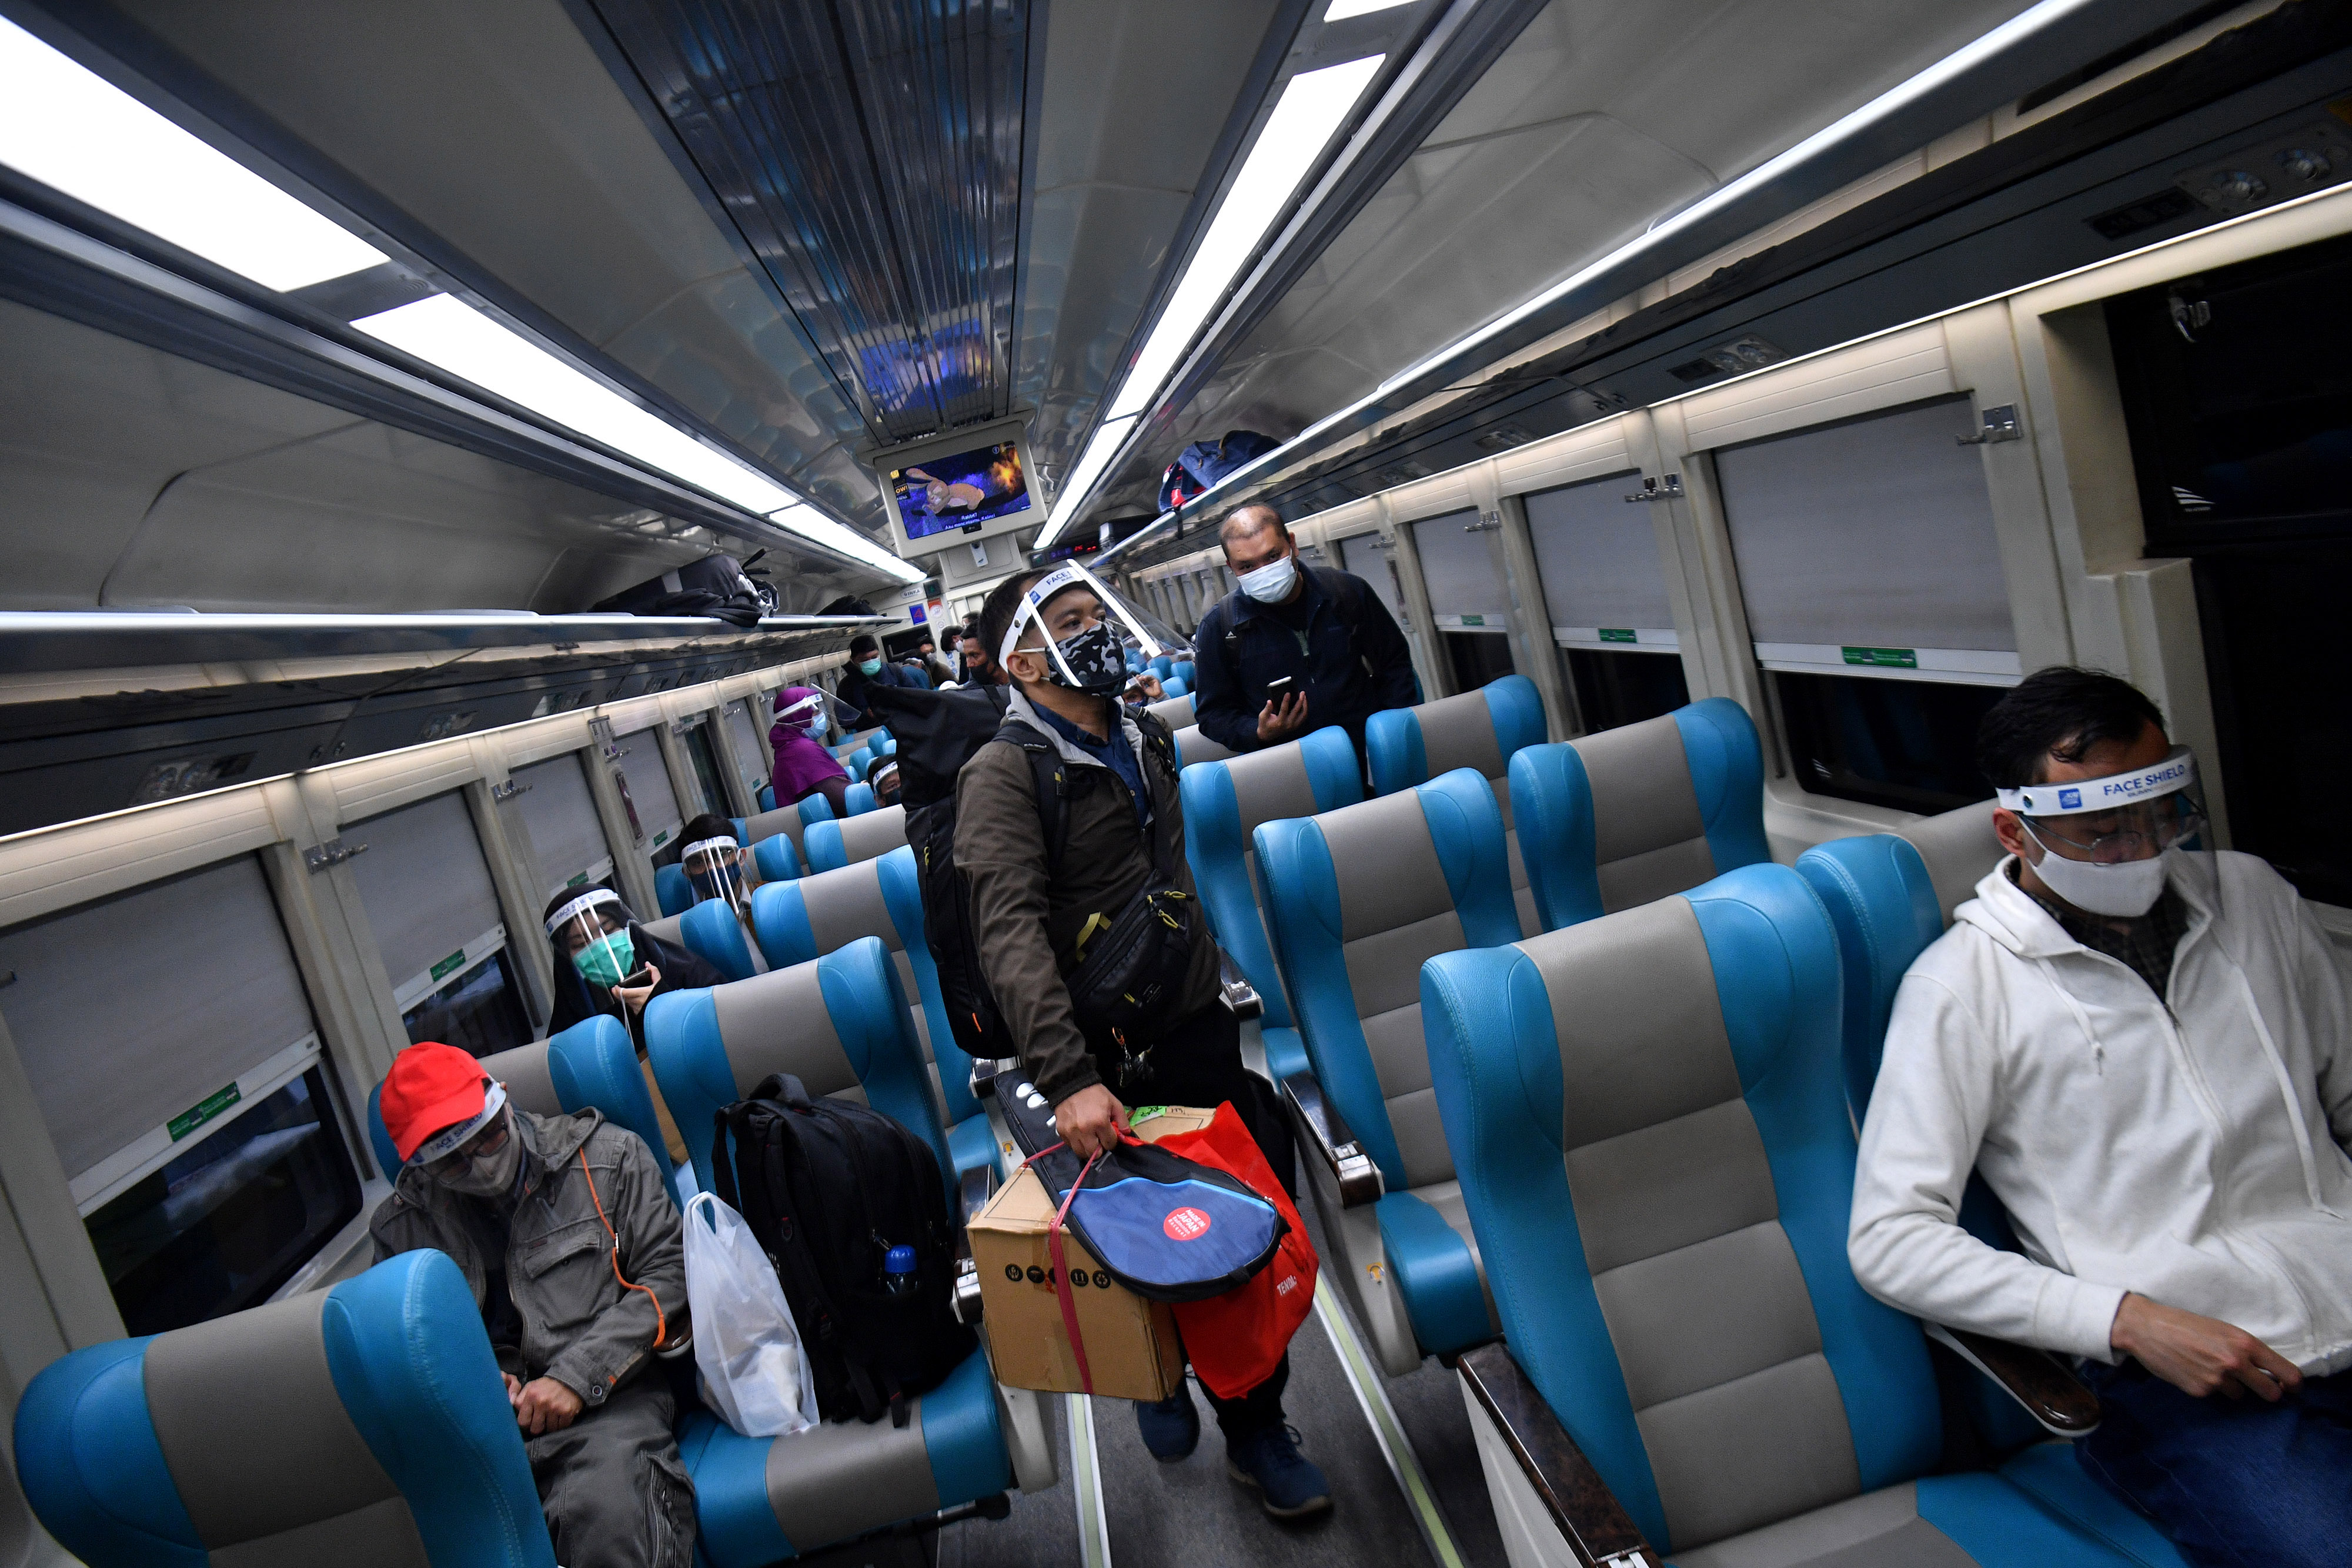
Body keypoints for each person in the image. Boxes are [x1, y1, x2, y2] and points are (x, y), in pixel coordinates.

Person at [1848, 667, 2352, 1568]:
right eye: (2104, 830)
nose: (2144, 850)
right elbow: (1892, 1237)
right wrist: (2127, 1320)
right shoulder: (1962, 988)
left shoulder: (2256, 901)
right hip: (2184, 1381)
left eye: (2163, 812)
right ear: (2017, 830)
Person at [956, 564, 1328, 1520]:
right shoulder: (1003, 775)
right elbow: (1009, 933)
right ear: (1027, 659)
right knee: (1144, 1241)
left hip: (1192, 1028)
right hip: (1098, 1062)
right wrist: (1069, 1077)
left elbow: (1171, 882)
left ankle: (1255, 1424)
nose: (1099, 635)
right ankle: (1159, 1378)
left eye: (1097, 616)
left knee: (1236, 1227)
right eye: (1075, 624)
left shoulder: (1142, 734)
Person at [372, 1042, 692, 1568]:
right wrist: (476, 1381)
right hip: (481, 1433)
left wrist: (576, 1375)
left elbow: (672, 1271)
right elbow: (404, 1353)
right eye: (453, 1159)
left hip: (608, 1402)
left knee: (606, 1516)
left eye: (490, 1134)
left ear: (502, 1099)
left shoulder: (608, 1159)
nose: (480, 1161)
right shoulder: (399, 1229)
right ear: (420, 1167)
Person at [1190, 503, 1417, 765]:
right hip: (1293, 769)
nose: (1263, 571)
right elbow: (1212, 715)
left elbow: (1395, 664)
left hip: (1371, 755)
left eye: (1273, 556)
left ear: (1293, 545)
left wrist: (1393, 735)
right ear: (1231, 567)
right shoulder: (1220, 627)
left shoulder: (1346, 593)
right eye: (1247, 567)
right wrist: (1257, 731)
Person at [544, 885, 721, 1165]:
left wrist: (662, 1007)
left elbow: (725, 1040)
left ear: (626, 928)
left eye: (606, 929)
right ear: (568, 957)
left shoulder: (684, 973)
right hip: (637, 1158)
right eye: (580, 944)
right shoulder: (570, 1031)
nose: (598, 946)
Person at [678, 811, 763, 943]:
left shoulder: (773, 901)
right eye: (698, 863)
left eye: (720, 856)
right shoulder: (692, 931)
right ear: (687, 874)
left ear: (741, 858)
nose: (711, 868)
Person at [767, 686, 851, 817]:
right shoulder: (803, 750)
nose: (821, 715)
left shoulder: (787, 748)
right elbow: (845, 798)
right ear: (799, 717)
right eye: (815, 712)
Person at [837, 633, 930, 727]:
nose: (871, 662)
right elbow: (844, 721)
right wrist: (866, 715)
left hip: (902, 724)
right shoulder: (846, 686)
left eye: (874, 657)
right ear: (853, 660)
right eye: (864, 660)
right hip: (872, 733)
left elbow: (917, 695)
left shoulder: (893, 670)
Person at [957, 623, 1007, 688]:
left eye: (975, 655)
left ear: (995, 651)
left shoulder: (1022, 683)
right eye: (967, 656)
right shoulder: (973, 693)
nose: (969, 664)